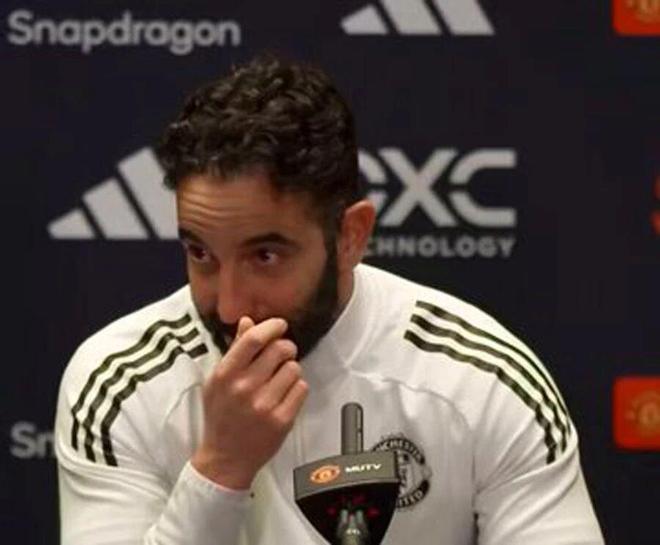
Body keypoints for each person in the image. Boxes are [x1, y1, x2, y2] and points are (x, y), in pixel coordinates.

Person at [55, 55, 604, 545]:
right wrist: (220, 469)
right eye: (201, 254)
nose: (229, 307)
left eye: (265, 256)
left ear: (350, 237)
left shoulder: (481, 381)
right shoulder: (119, 383)